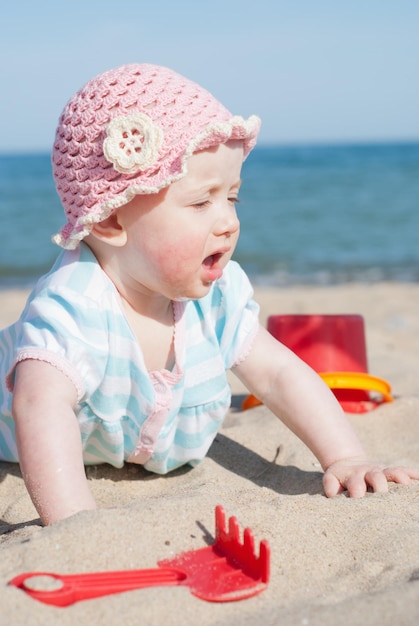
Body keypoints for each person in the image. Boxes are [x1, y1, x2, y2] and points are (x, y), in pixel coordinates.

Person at [0, 64, 418, 526]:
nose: (228, 222)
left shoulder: (215, 299)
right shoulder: (71, 305)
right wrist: (73, 522)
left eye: (232, 198)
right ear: (110, 221)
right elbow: (39, 404)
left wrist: (344, 458)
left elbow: (279, 374)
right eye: (201, 202)